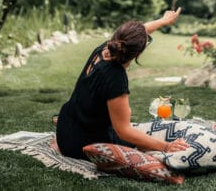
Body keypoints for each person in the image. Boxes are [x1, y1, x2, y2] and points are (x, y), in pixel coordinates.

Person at [56, 8, 189, 159]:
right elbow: (123, 131)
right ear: (139, 52)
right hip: (80, 143)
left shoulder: (105, 48)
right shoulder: (115, 77)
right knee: (134, 140)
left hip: (66, 126)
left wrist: (163, 21)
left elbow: (137, 34)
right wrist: (166, 146)